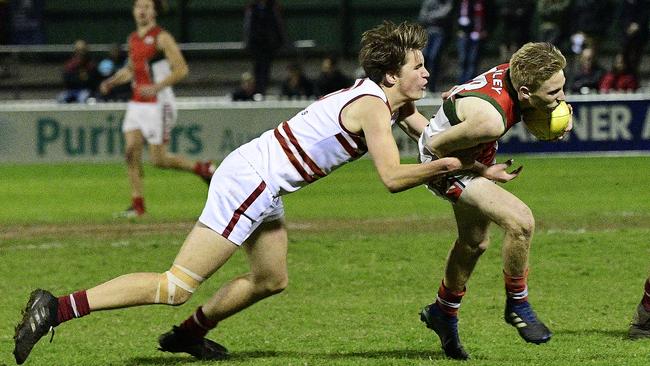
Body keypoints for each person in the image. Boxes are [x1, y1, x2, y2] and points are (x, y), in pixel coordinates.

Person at [13, 21, 515, 365]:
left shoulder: (391, 105)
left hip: (261, 179)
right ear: (391, 76)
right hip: (252, 182)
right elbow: (393, 177)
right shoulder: (372, 108)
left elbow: (429, 145)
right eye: (418, 66)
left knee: (271, 278)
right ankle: (55, 308)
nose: (427, 73)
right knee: (174, 287)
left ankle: (188, 335)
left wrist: (474, 167)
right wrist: (452, 164)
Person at [417, 42, 572, 360]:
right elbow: (435, 147)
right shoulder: (490, 120)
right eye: (554, 93)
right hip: (445, 162)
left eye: (562, 89)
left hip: (475, 150)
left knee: (474, 242)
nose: (561, 99)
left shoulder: (520, 71)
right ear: (526, 92)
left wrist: (552, 112)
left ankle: (443, 313)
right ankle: (518, 304)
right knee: (520, 221)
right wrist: (483, 170)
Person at [98, 0, 216, 218]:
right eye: (138, 7)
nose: (142, 11)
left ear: (154, 12)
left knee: (158, 160)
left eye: (146, 7)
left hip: (159, 103)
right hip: (137, 103)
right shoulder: (133, 39)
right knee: (130, 151)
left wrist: (156, 87)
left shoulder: (162, 38)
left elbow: (182, 69)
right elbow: (132, 70)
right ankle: (138, 205)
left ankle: (203, 169)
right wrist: (112, 82)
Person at [243, 0, 285, 96]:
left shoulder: (273, 6)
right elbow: (248, 26)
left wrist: (278, 40)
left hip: (268, 43)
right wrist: (248, 42)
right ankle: (258, 89)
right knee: (257, 67)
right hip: (256, 43)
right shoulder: (252, 7)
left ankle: (263, 88)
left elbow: (278, 24)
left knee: (266, 67)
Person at [417, 0, 453, 92]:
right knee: (425, 58)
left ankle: (433, 85)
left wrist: (431, 16)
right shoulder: (429, 2)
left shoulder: (446, 2)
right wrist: (433, 17)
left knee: (434, 57)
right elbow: (422, 16)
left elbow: (445, 13)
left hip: (440, 33)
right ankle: (423, 84)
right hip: (428, 32)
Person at [57, 39, 100, 104]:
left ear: (86, 50)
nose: (80, 52)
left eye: (82, 50)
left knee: (82, 98)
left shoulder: (91, 64)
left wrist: (80, 78)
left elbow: (92, 81)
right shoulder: (70, 64)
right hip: (71, 91)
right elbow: (67, 79)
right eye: (78, 50)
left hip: (86, 91)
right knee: (60, 98)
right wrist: (80, 78)